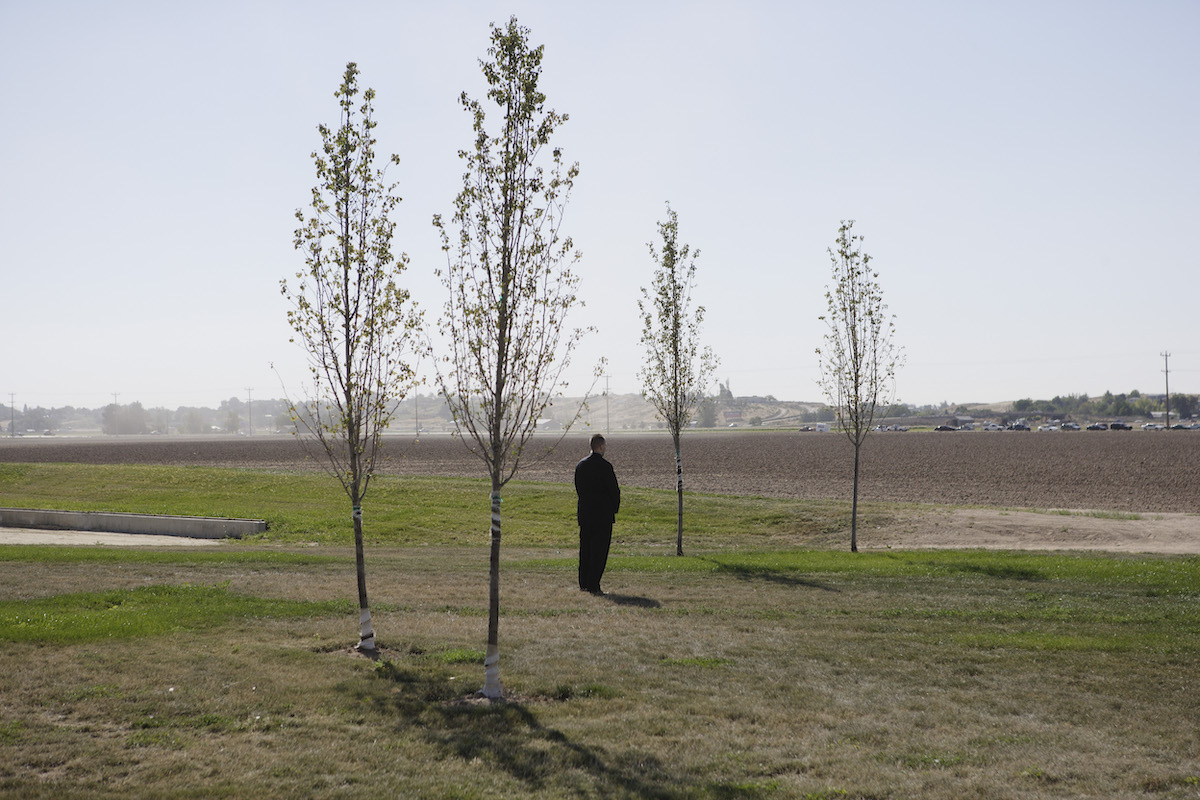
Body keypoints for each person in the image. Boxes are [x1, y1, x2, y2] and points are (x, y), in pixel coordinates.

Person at [574, 433, 620, 595]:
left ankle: (583, 582)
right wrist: (613, 509)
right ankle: (594, 583)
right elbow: (614, 492)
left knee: (585, 549)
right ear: (601, 446)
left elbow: (579, 489)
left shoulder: (580, 466)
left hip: (585, 514)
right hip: (602, 516)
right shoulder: (605, 467)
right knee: (599, 551)